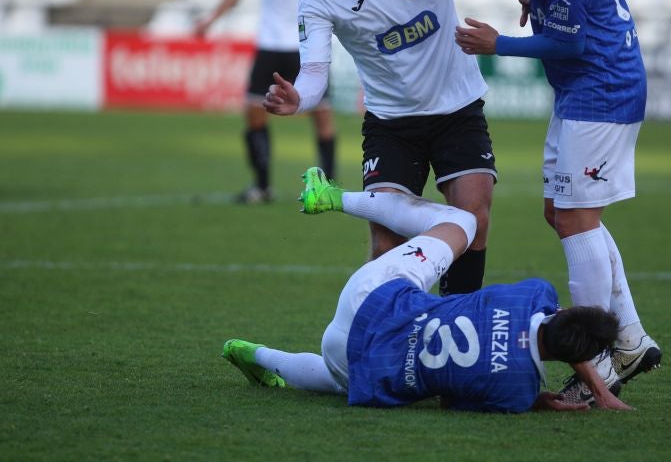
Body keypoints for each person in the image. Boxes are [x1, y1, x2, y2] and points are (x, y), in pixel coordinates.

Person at [442, 0, 661, 403]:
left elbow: (573, 43)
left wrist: (499, 45)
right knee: (559, 213)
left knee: (577, 217)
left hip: (601, 88)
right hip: (581, 93)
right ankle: (629, 339)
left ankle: (599, 362)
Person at [263, 0, 523, 296]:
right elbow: (313, 72)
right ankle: (378, 340)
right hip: (391, 125)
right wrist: (299, 99)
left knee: (474, 219)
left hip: (458, 110)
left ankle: (454, 325)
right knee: (387, 244)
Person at [222, 167, 633, 412]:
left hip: (371, 298)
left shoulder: (531, 297)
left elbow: (557, 321)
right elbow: (455, 400)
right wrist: (544, 400)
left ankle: (331, 196)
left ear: (561, 312)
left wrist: (596, 380)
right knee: (339, 380)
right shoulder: (515, 392)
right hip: (357, 362)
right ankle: (258, 354)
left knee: (464, 223)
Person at [194, 0, 336, 204]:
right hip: (270, 43)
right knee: (254, 112)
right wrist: (211, 19)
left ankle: (328, 184)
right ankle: (262, 185)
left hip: (304, 44)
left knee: (321, 113)